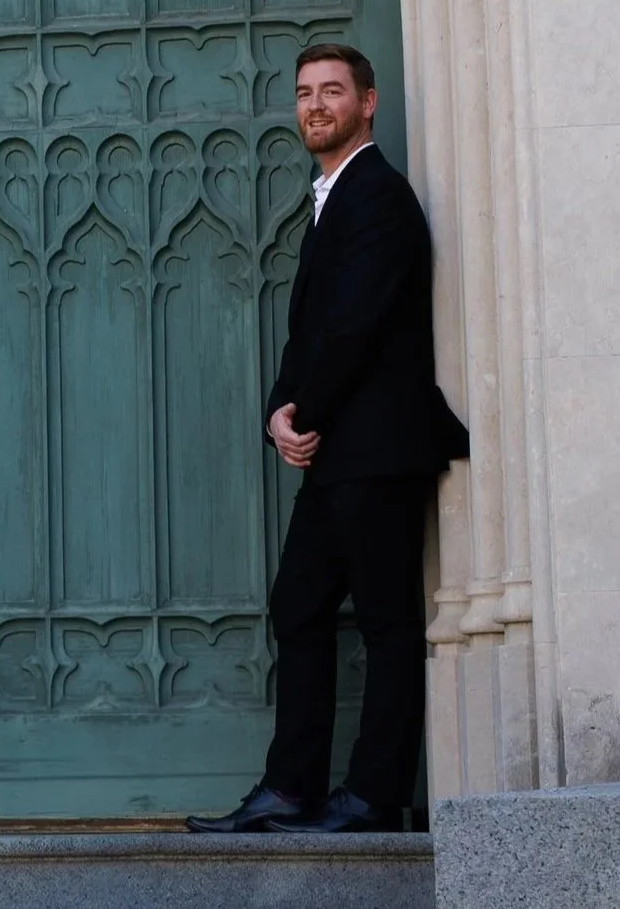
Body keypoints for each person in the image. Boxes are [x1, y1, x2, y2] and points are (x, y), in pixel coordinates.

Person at [187, 41, 468, 837]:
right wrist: (279, 409)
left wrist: (301, 415)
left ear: (367, 103)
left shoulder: (377, 196)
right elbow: (311, 331)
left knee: (385, 620)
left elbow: (355, 327)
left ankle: (374, 795)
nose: (316, 105)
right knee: (300, 606)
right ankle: (290, 788)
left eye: (333, 91)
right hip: (337, 452)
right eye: (306, 92)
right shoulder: (333, 198)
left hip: (376, 451)